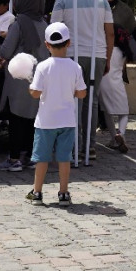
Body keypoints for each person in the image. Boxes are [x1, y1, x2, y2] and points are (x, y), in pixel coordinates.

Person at [50, 0, 113, 160]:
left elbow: (53, 30)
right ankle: (90, 146)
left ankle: (74, 146)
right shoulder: (101, 0)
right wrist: (108, 58)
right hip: (97, 55)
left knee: (73, 101)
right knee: (92, 101)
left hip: (71, 55)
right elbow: (110, 32)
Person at [27, 22, 87, 207]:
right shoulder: (75, 67)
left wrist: (30, 87)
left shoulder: (42, 67)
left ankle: (37, 192)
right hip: (67, 120)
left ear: (47, 45)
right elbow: (82, 93)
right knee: (64, 158)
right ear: (68, 43)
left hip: (46, 121)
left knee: (42, 159)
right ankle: (63, 193)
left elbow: (35, 93)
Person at [0, 0, 48, 173]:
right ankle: (31, 157)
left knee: (16, 118)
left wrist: (0, 49)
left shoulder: (19, 23)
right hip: (38, 77)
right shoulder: (44, 23)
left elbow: (6, 51)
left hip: (19, 78)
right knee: (33, 119)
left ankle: (14, 159)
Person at [99, 0, 136, 153]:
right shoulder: (97, 8)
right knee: (110, 97)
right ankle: (117, 136)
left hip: (118, 53)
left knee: (109, 95)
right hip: (101, 52)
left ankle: (118, 136)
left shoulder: (124, 10)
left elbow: (134, 30)